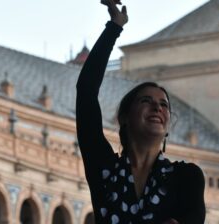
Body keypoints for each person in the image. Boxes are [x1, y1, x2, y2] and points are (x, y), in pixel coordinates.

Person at [75, 0, 206, 223]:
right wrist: (114, 27)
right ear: (124, 117)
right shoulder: (103, 168)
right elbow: (86, 92)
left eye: (164, 104)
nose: (157, 107)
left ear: (167, 127)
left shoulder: (187, 177)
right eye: (146, 101)